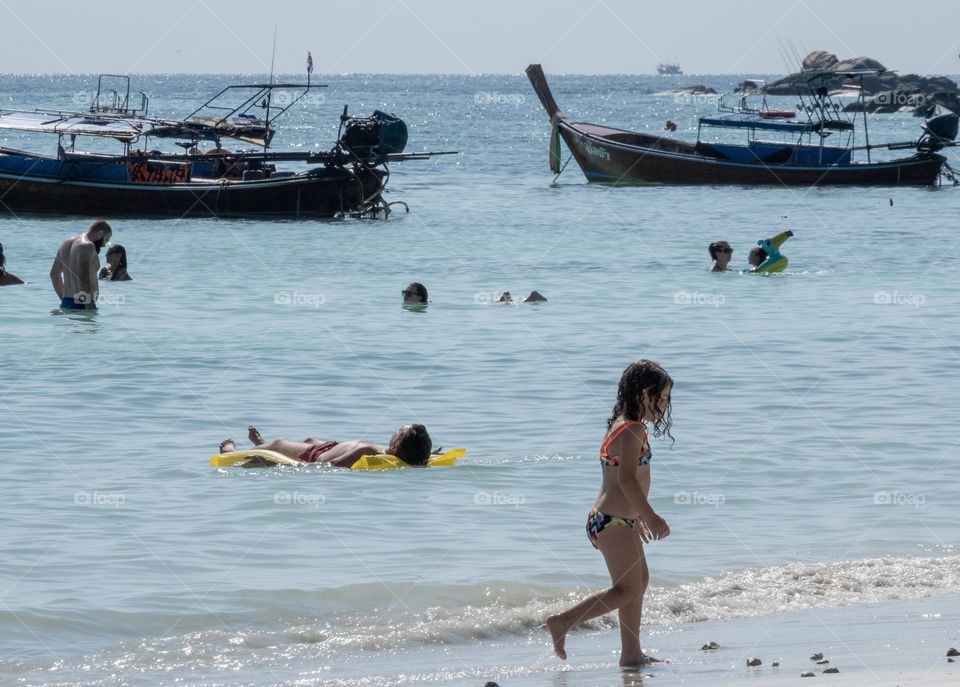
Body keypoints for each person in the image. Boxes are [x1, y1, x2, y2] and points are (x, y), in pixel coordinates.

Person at [547, 359, 673, 667]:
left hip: (617, 519)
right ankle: (563, 621)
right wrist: (651, 516)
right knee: (628, 588)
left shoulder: (621, 423)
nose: (666, 405)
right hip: (611, 521)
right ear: (645, 393)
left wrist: (637, 515)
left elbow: (624, 482)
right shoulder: (631, 430)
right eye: (664, 397)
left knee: (638, 583)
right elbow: (626, 479)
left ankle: (631, 653)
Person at [218, 424, 433, 469]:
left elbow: (329, 466)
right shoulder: (393, 453)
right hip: (329, 445)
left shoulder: (368, 452)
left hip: (314, 456)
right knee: (311, 437)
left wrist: (273, 464)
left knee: (279, 444)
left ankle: (236, 452)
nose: (395, 429)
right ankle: (261, 443)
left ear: (395, 445)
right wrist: (428, 454)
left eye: (399, 431)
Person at [50, 220, 112, 309]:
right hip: (83, 306)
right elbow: (83, 277)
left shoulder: (65, 244)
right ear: (100, 233)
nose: (104, 244)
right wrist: (89, 306)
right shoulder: (88, 246)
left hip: (66, 303)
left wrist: (64, 299)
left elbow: (54, 274)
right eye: (106, 239)